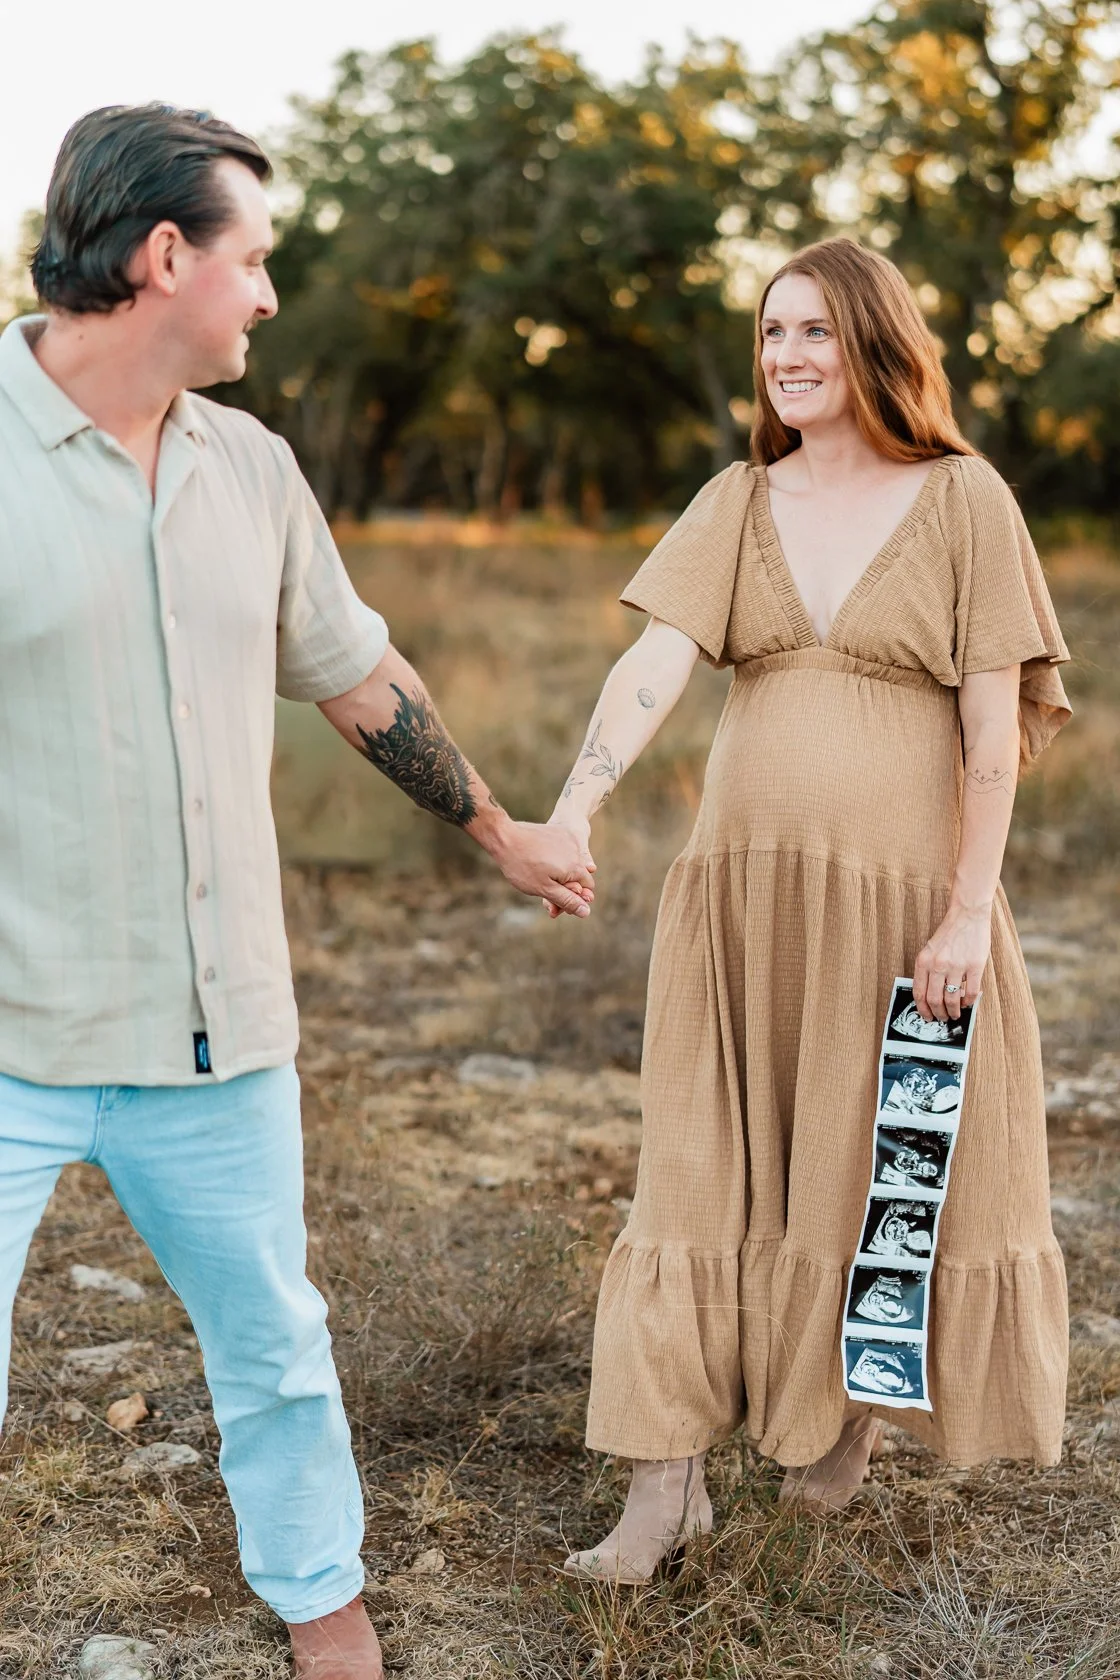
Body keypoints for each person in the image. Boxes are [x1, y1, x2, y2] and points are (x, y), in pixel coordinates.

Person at [0, 105, 594, 1680]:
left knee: (275, 1345)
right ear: (164, 254)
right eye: (253, 260)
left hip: (218, 1034)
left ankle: (322, 1596)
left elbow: (352, 677)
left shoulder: (251, 470)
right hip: (8, 1035)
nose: (269, 296)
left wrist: (503, 830)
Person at [548, 236, 1071, 1584]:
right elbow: (654, 664)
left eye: (816, 333)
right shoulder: (739, 498)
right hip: (742, 904)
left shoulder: (965, 502)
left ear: (877, 346)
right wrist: (576, 805)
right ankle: (662, 1491)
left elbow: (994, 739)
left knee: (867, 1166)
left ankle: (846, 1419)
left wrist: (968, 914)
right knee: (694, 1169)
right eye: (773, 332)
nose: (787, 356)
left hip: (905, 912)